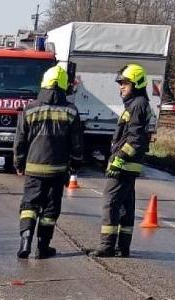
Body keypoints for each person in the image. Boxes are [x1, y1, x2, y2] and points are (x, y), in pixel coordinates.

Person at [14, 65, 82, 259]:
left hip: (33, 168)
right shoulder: (71, 111)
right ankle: (43, 248)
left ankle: (25, 242)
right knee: (50, 210)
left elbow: (19, 140)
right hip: (58, 170)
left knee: (29, 205)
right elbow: (77, 143)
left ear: (43, 83)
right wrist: (75, 164)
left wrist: (19, 163)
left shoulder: (30, 109)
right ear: (63, 86)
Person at [91, 64, 152, 258]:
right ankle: (122, 246)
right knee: (125, 205)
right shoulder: (137, 104)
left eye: (125, 84)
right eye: (121, 84)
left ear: (137, 83)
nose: (121, 87)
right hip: (130, 164)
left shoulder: (137, 105)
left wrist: (118, 159)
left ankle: (106, 246)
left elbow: (135, 139)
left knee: (111, 203)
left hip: (124, 164)